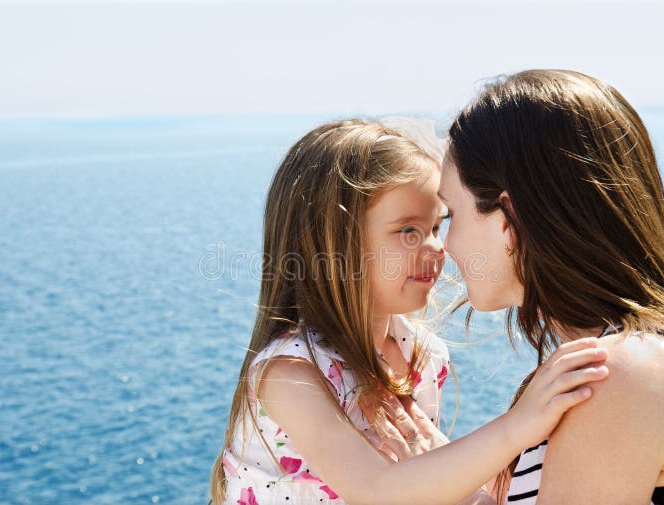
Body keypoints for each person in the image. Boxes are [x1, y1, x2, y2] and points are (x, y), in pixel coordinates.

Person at [209, 118, 611, 505]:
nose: (437, 247)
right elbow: (374, 488)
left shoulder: (421, 354)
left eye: (437, 227)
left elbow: (421, 483)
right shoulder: (291, 373)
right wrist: (517, 427)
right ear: (332, 247)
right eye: (408, 231)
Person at [432, 69, 664, 504]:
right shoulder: (661, 353)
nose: (445, 245)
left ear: (511, 221)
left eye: (451, 215)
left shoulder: (619, 378)